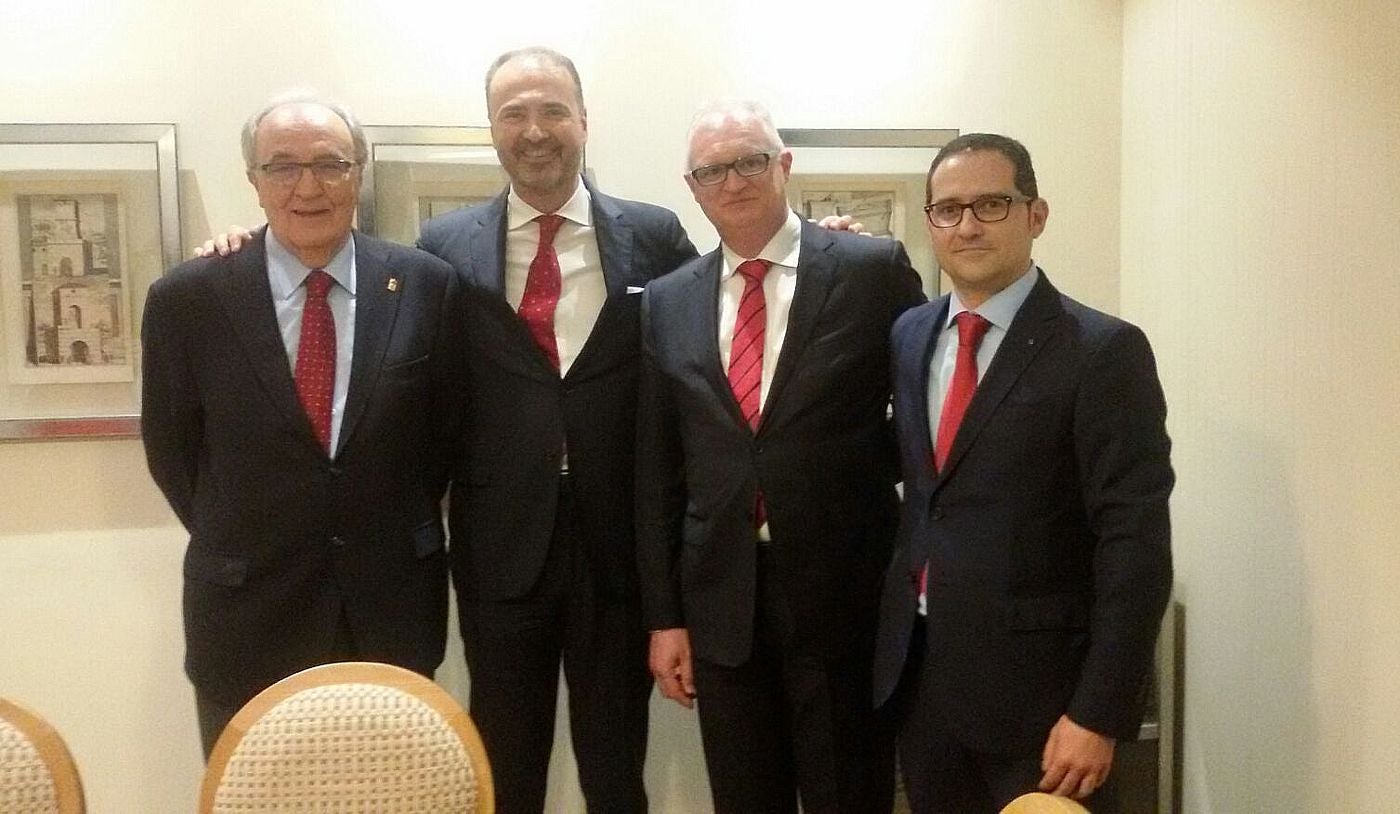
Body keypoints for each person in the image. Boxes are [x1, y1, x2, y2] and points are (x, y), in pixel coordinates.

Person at [416, 48, 697, 814]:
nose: (534, 130)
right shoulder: (443, 248)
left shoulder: (654, 234)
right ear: (492, 130)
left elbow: (720, 318)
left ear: (583, 120)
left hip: (618, 547)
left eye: (551, 110)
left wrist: (817, 241)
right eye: (514, 113)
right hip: (500, 546)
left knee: (616, 768)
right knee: (505, 766)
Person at [141, 94, 464, 757]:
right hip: (246, 614)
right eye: (282, 166)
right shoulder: (189, 299)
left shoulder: (427, 286)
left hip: (390, 612)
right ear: (253, 179)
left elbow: (441, 443)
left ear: (360, 173)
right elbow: (173, 453)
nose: (308, 187)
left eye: (331, 164)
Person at [636, 99, 925, 814]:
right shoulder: (667, 301)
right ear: (693, 186)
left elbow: (920, 416)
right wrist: (665, 617)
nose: (733, 181)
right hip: (722, 601)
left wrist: (846, 479)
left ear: (784, 165)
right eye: (713, 170)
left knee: (848, 794)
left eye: (750, 161)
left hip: (842, 592)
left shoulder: (870, 268)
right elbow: (657, 469)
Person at [871, 133, 1174, 813]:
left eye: (992, 204)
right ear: (929, 224)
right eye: (948, 209)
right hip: (924, 689)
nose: (968, 224)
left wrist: (1098, 712)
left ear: (1036, 215)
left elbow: (1136, 545)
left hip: (1046, 709)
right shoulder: (910, 336)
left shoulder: (1102, 352)